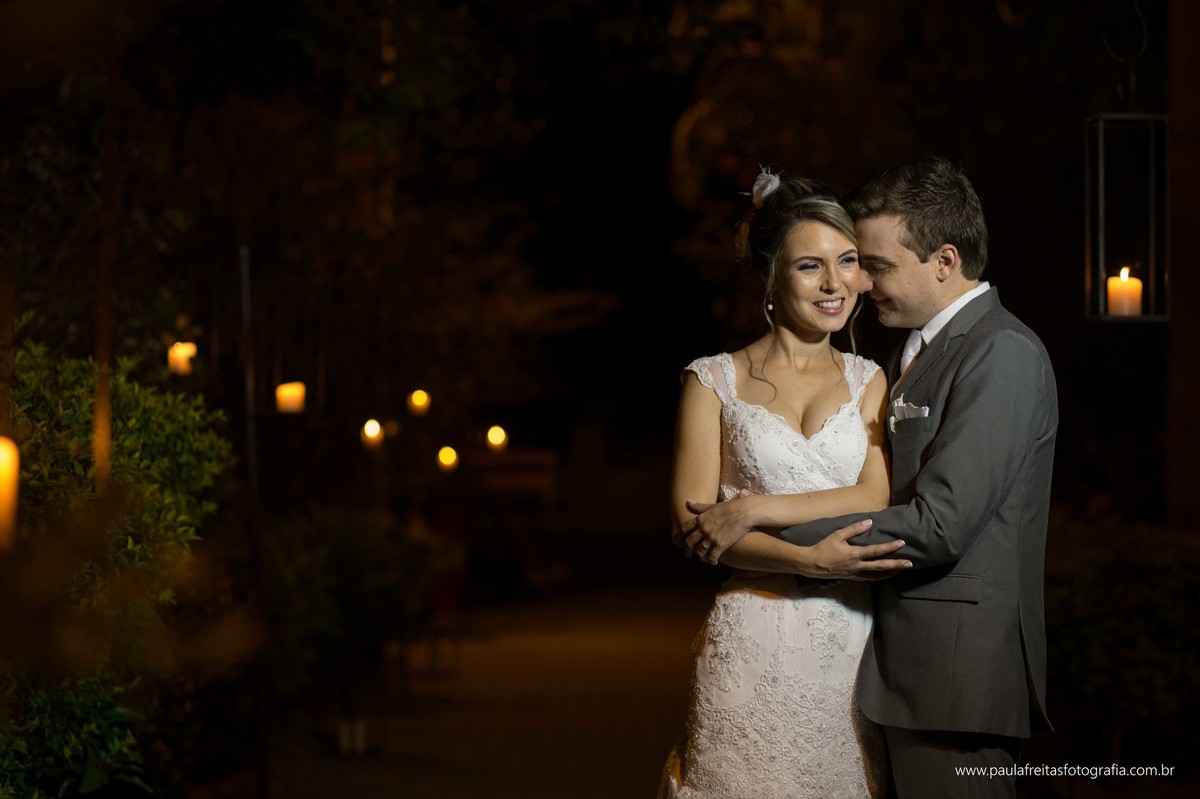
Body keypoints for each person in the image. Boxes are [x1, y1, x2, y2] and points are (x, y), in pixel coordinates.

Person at [682, 155, 1059, 798]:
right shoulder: (914, 351)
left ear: (943, 261)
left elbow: (938, 523)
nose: (858, 283)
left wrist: (754, 518)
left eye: (871, 264)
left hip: (953, 674)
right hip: (879, 661)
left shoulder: (1000, 352)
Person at [658, 169, 912, 799]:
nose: (835, 284)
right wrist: (805, 556)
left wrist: (749, 509)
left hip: (848, 648)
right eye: (810, 266)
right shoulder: (712, 381)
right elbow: (692, 525)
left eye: (847, 261)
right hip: (751, 637)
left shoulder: (870, 380)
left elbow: (873, 498)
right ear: (770, 277)